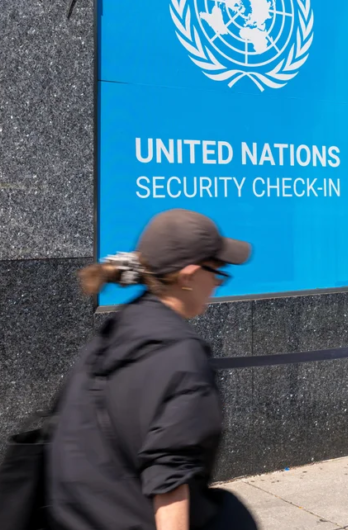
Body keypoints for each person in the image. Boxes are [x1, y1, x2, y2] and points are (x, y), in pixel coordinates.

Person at [48, 209, 258, 530]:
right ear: (187, 278)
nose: (217, 283)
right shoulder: (182, 356)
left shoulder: (120, 328)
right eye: (216, 272)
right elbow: (169, 481)